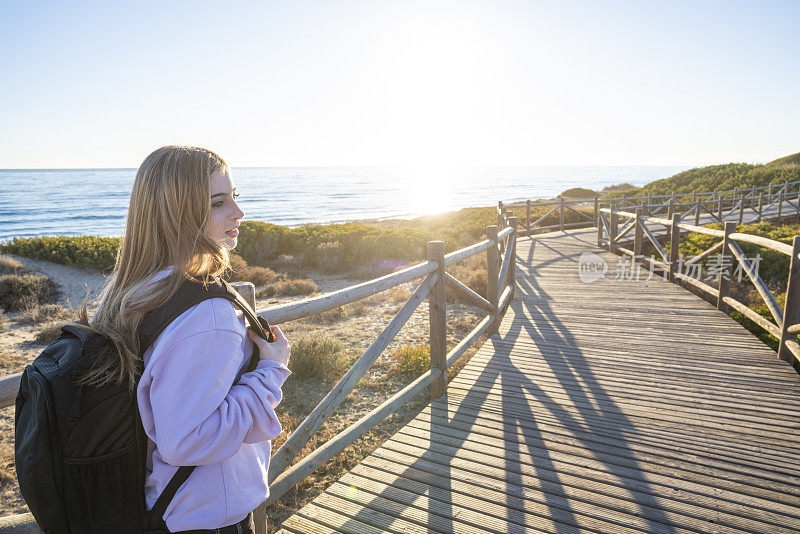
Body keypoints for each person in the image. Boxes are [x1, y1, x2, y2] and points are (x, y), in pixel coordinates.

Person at [79, 145, 291, 533]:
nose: (238, 213)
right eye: (217, 203)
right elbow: (189, 441)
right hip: (202, 515)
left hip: (156, 503)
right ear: (177, 214)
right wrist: (271, 370)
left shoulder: (136, 291)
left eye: (234, 198)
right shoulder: (207, 316)